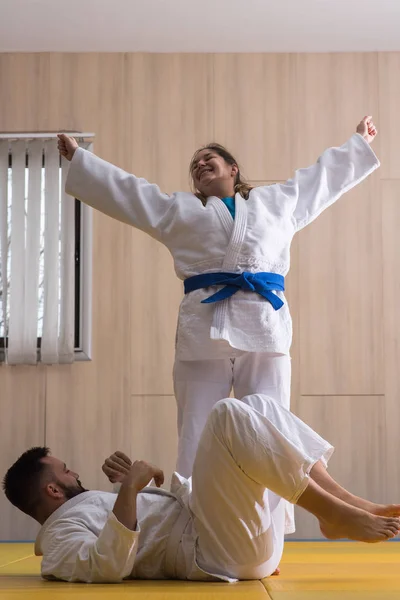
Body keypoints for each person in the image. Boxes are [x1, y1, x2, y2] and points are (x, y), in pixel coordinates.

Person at [57, 117, 379, 535]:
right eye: (195, 163)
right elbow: (130, 192)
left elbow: (318, 180)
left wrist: (358, 143)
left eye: (209, 158)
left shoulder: (277, 202)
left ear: (233, 169)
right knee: (196, 430)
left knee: (272, 426)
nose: (200, 164)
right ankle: (194, 527)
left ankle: (276, 530)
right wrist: (82, 160)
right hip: (202, 332)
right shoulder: (177, 210)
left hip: (263, 326)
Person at [3, 393, 400, 584]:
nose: (75, 473)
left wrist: (129, 487)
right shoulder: (57, 542)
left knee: (259, 404)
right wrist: (128, 493)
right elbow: (107, 567)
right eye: (66, 471)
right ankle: (331, 512)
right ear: (54, 491)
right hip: (219, 553)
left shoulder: (83, 509)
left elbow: (139, 530)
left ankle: (343, 503)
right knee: (226, 414)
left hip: (234, 539)